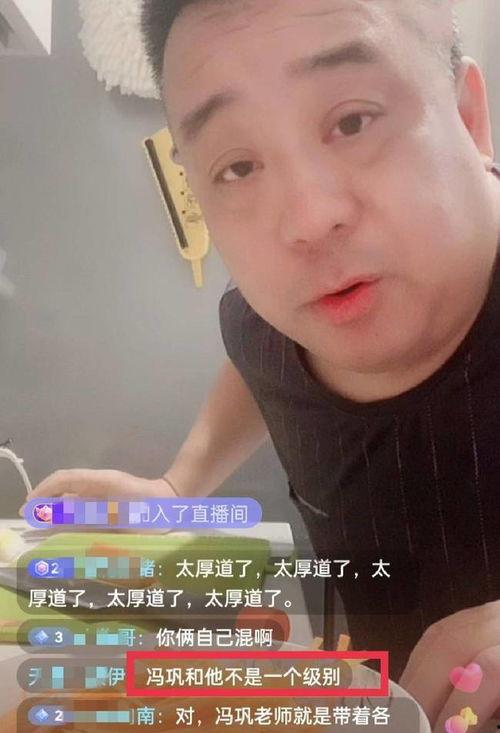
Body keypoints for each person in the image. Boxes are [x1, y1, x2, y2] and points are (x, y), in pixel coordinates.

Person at [26, 0, 500, 727]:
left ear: (468, 119)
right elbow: (261, 359)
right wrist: (176, 487)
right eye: (239, 165)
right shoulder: (272, 312)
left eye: (352, 121)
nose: (307, 219)